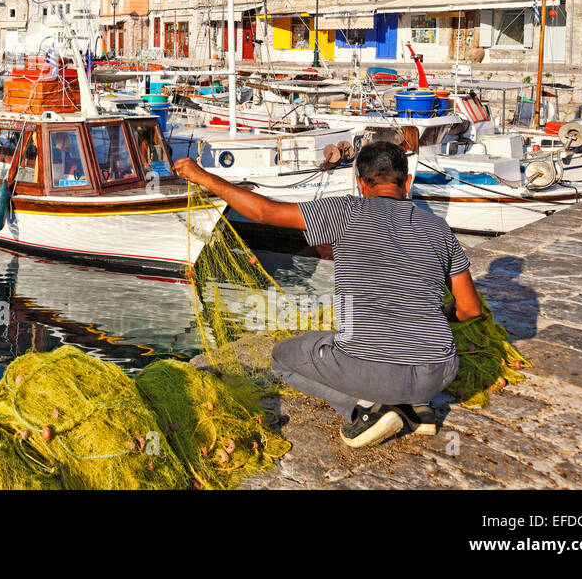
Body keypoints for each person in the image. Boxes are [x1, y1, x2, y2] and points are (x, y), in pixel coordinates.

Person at [173, 140, 484, 449]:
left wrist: (204, 177)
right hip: (438, 372)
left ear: (360, 184)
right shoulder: (439, 228)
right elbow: (470, 309)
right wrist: (435, 315)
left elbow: (265, 212)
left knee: (282, 358)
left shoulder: (345, 212)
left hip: (372, 373)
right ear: (408, 181)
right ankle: (415, 408)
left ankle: (366, 411)